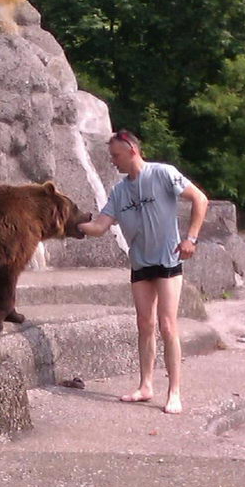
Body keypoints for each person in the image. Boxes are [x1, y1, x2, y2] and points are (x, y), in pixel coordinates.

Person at [78, 129, 208, 414]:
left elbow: (200, 199)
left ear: (132, 151)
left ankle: (174, 392)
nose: (113, 161)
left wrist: (191, 238)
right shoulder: (120, 191)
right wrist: (67, 225)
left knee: (167, 325)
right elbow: (100, 227)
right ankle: (145, 385)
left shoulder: (162, 173)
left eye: (116, 156)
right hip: (140, 262)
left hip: (168, 260)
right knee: (144, 325)